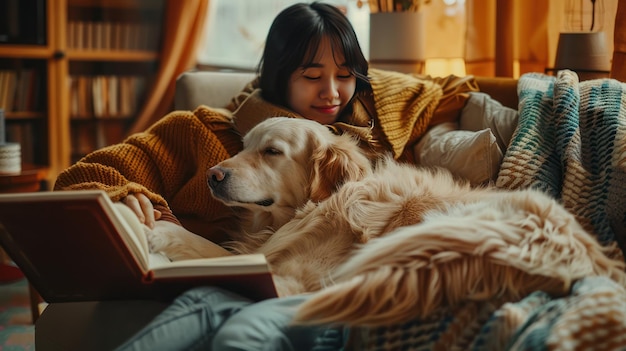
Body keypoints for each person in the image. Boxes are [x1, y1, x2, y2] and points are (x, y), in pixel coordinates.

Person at [54, 2, 479, 350]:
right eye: (312, 76)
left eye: (345, 76)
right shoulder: (201, 131)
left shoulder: (363, 128)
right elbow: (86, 173)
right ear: (278, 76)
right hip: (230, 275)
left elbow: (453, 90)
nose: (331, 92)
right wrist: (124, 192)